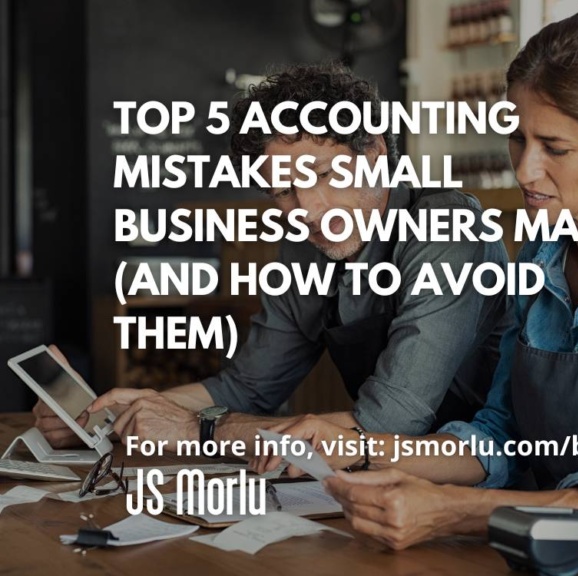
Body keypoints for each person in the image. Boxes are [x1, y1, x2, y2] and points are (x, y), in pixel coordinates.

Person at [256, 12, 578, 575]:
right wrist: (361, 448)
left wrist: (456, 511)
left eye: (554, 147)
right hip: (552, 555)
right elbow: (500, 436)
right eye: (516, 138)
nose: (525, 168)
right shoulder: (543, 253)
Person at [34, 62, 513, 450]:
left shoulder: (447, 228)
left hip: (483, 484)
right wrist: (111, 413)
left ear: (375, 154)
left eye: (325, 175)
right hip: (376, 481)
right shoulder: (307, 247)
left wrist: (201, 430)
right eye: (283, 190)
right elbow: (245, 388)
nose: (308, 209)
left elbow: (392, 422)